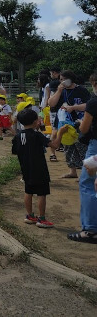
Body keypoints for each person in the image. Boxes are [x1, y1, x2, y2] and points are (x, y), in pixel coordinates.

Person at [12, 108, 55, 228]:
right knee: (42, 193)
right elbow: (55, 145)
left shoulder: (17, 136)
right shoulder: (37, 135)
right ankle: (41, 219)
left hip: (26, 169)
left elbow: (15, 151)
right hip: (39, 168)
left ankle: (30, 215)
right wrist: (60, 132)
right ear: (36, 121)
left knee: (28, 191)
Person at [68, 71, 97, 243]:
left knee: (87, 182)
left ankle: (91, 229)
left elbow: (84, 129)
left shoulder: (93, 103)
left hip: (95, 149)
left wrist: (80, 124)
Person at [48, 70, 91, 179]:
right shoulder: (61, 90)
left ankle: (86, 174)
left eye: (63, 79)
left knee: (82, 147)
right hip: (65, 123)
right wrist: (58, 91)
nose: (61, 82)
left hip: (80, 122)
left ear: (70, 79)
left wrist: (73, 108)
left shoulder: (81, 90)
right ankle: (72, 171)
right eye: (60, 79)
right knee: (68, 147)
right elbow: (51, 103)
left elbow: (88, 105)